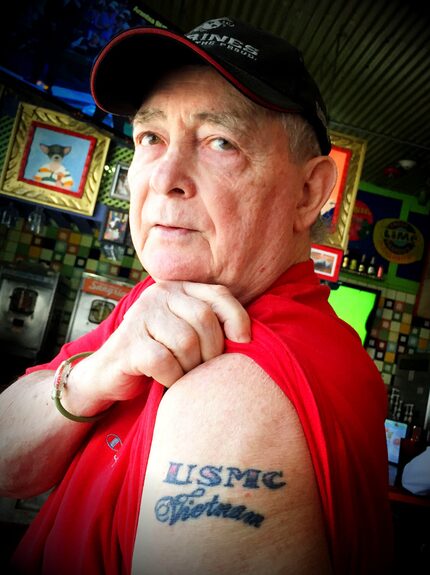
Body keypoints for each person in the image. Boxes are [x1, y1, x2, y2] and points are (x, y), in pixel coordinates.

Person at [0, 17, 393, 575]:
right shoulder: (160, 303)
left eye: (219, 143)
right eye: (151, 138)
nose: (166, 177)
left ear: (309, 192)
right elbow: (8, 468)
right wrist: (93, 376)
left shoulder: (239, 389)